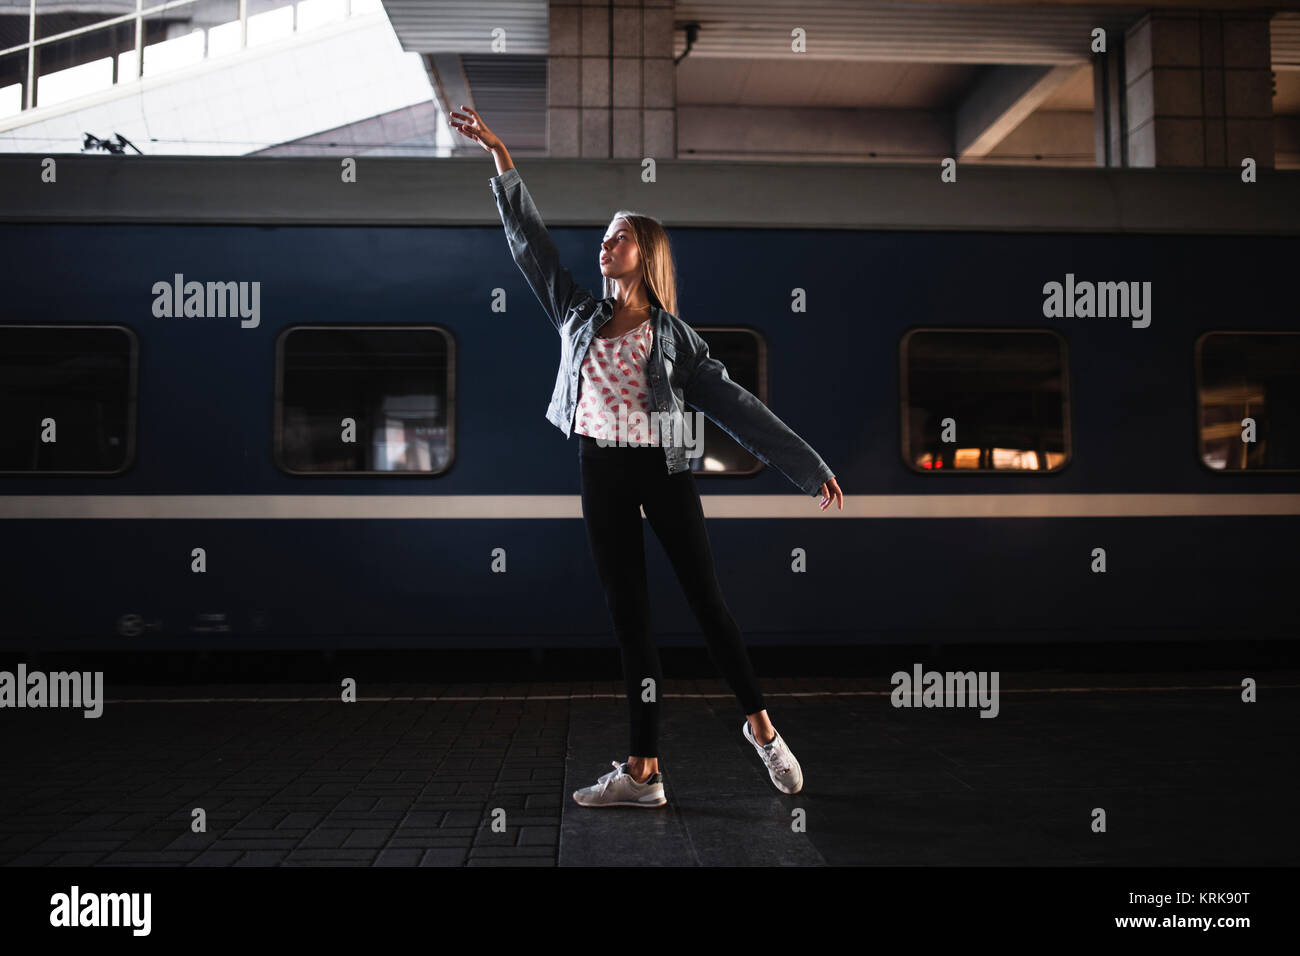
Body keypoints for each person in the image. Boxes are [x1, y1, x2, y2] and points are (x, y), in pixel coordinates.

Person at [450, 106, 844, 808]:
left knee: (707, 606)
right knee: (630, 617)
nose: (605, 246)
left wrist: (807, 466)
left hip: (664, 469)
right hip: (598, 469)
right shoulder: (576, 313)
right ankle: (643, 773)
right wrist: (501, 154)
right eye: (603, 238)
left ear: (647, 252)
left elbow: (735, 406)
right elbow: (532, 248)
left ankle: (761, 729)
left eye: (620, 238)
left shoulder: (676, 338)